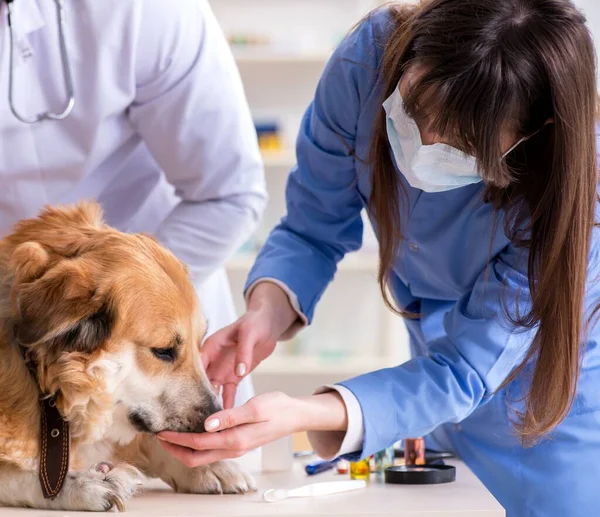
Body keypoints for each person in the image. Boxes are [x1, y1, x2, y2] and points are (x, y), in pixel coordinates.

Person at [158, 0, 600, 515]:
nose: (425, 143)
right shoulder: (369, 61)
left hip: (545, 415)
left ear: (532, 132)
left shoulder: (574, 191)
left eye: (461, 144)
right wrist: (264, 313)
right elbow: (311, 227)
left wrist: (304, 412)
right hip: (427, 403)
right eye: (417, 108)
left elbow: (463, 372)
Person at [0, 0, 266, 406]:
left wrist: (128, 305)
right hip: (11, 327)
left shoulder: (149, 10)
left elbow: (229, 191)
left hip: (154, 334)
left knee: (188, 461)